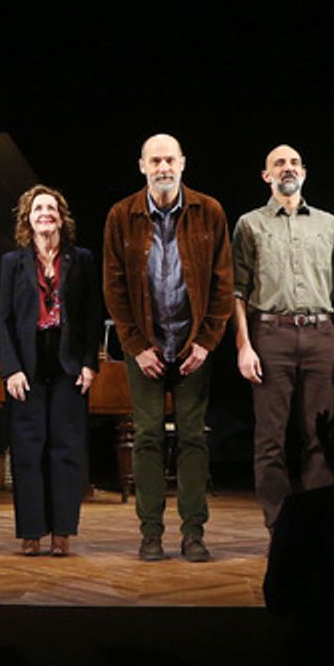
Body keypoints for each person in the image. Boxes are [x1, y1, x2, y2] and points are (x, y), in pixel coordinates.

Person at [102, 134, 233, 562]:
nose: (163, 167)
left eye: (169, 160)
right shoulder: (121, 215)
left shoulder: (208, 211)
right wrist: (136, 346)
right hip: (147, 349)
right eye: (155, 160)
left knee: (194, 437)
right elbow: (114, 288)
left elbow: (223, 282)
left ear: (182, 163)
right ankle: (150, 534)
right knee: (148, 437)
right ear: (142, 166)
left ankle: (193, 533)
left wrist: (207, 342)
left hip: (194, 346)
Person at [232, 144, 334, 531]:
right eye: (278, 164)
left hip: (322, 335)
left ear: (304, 171)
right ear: (266, 175)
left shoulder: (330, 225)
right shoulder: (249, 224)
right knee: (270, 439)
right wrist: (244, 346)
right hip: (270, 335)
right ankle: (279, 526)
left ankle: (317, 525)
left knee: (320, 434)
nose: (288, 168)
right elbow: (237, 292)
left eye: (294, 163)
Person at [0, 185, 102, 556]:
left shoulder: (83, 259)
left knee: (66, 449)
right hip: (27, 363)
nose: (46, 213)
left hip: (68, 361)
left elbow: (92, 316)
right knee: (27, 450)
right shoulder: (13, 262)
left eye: (52, 207)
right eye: (38, 208)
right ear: (28, 217)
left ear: (61, 217)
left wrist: (90, 363)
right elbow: (5, 321)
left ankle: (62, 532)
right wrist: (10, 369)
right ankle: (31, 532)